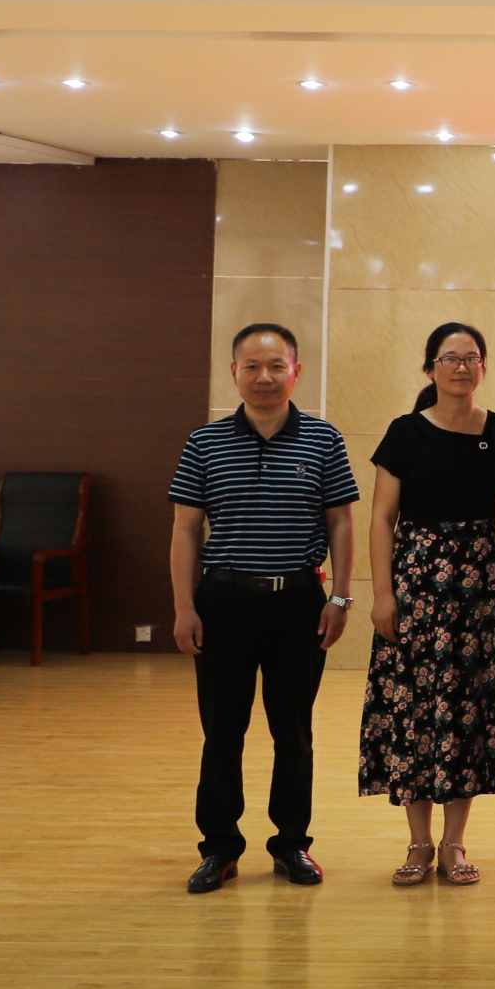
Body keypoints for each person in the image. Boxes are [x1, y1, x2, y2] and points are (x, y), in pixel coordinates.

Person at [168, 322, 358, 894]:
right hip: (222, 603)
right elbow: (185, 528)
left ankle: (292, 844)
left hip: (298, 603)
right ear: (234, 373)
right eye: (251, 366)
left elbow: (341, 521)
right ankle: (219, 847)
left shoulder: (323, 439)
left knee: (293, 732)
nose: (264, 377)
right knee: (221, 732)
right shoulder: (204, 443)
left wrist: (341, 596)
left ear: (295, 372)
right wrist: (183, 607)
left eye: (277, 366)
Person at [359, 322, 495, 890]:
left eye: (471, 357)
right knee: (412, 709)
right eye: (449, 358)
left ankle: (454, 843)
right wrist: (383, 594)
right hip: (415, 584)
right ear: (430, 368)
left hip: (478, 586)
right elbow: (382, 518)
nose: (461, 367)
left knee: (464, 711)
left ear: (484, 367)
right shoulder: (405, 432)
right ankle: (418, 842)